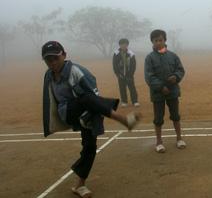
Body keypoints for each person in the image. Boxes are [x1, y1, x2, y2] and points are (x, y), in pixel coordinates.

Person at [41, 41, 140, 198]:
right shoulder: (48, 75)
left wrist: (93, 115)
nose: (52, 63)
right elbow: (50, 100)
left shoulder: (77, 72)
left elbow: (93, 93)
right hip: (67, 112)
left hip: (88, 111)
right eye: (48, 60)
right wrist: (51, 123)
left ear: (64, 55)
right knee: (85, 98)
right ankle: (122, 119)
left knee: (89, 147)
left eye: (55, 58)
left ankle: (80, 185)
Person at [144, 30, 186, 153]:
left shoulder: (173, 56)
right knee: (158, 118)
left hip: (173, 92)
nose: (158, 42)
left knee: (176, 116)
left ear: (165, 40)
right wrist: (161, 87)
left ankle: (179, 138)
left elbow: (180, 70)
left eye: (160, 40)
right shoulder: (149, 58)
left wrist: (176, 77)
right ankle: (159, 142)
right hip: (158, 94)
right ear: (152, 42)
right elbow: (149, 76)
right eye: (155, 40)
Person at [112, 38, 139, 107]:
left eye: (125, 44)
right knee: (122, 88)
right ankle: (124, 101)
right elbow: (114, 64)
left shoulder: (131, 54)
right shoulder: (116, 53)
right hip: (120, 74)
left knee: (132, 87)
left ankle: (135, 101)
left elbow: (133, 65)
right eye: (122, 44)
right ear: (119, 45)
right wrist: (117, 74)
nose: (123, 45)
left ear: (127, 45)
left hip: (129, 74)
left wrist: (131, 74)